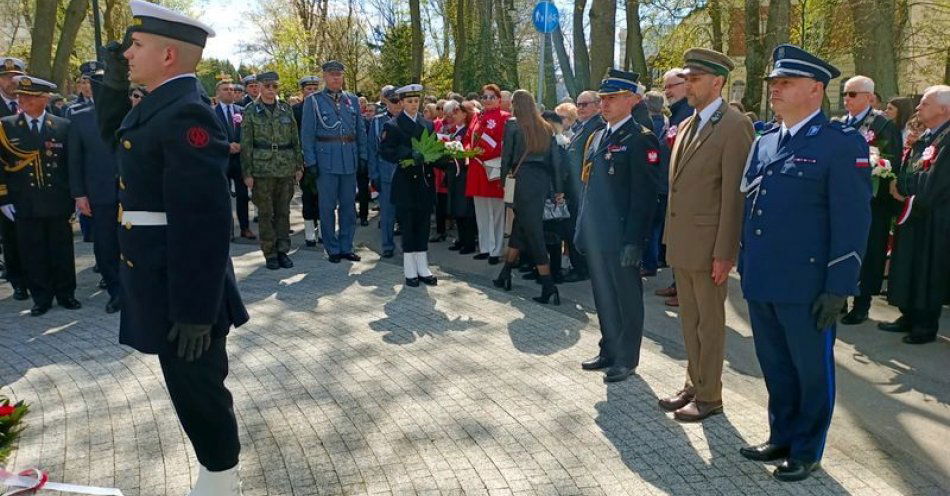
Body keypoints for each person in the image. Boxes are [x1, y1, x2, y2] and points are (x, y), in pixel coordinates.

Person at [94, 1, 249, 492]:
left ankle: (222, 481)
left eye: (135, 46)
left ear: (167, 56)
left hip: (183, 287)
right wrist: (115, 86)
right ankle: (215, 476)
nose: (126, 52)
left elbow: (202, 224)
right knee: (186, 389)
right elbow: (120, 142)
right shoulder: (160, 106)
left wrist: (196, 310)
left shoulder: (186, 114)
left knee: (199, 391)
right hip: (160, 277)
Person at [737, 44, 871, 482]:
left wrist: (840, 286)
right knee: (775, 365)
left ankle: (808, 449)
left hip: (808, 282)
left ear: (815, 90)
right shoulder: (766, 140)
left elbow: (852, 221)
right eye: (774, 83)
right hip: (763, 277)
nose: (775, 89)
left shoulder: (839, 143)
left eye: (785, 83)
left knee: (811, 370)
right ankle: (782, 434)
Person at [658, 48, 754, 422]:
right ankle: (694, 383)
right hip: (684, 240)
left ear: (717, 82)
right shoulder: (686, 124)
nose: (688, 85)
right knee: (689, 320)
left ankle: (710, 395)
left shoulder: (734, 124)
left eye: (695, 78)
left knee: (709, 323)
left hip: (710, 244)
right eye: (687, 78)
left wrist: (725, 251)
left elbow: (734, 193)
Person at [575, 69, 662, 383]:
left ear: (633, 100)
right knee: (603, 296)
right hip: (598, 235)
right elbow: (589, 189)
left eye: (612, 98)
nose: (605, 104)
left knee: (626, 297)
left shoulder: (641, 138)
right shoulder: (599, 134)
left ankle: (626, 358)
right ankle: (608, 348)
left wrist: (634, 241)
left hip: (622, 236)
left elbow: (645, 196)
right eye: (603, 98)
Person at [0, 75, 81, 316]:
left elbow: (71, 164)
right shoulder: (6, 126)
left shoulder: (62, 126)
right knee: (32, 252)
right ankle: (41, 297)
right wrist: (3, 199)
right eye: (20, 96)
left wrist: (77, 195)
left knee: (62, 250)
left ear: (43, 99)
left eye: (28, 97)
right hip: (24, 202)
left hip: (57, 200)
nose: (21, 100)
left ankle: (66, 293)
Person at [881, 85, 950, 344]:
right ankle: (908, 314)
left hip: (935, 217)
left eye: (925, 103)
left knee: (927, 268)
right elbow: (912, 166)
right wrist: (899, 182)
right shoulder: (929, 136)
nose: (918, 107)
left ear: (944, 109)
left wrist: (903, 187)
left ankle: (925, 323)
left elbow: (937, 182)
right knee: (910, 263)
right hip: (914, 212)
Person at [835, 75, 903, 325]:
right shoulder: (840, 123)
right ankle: (838, 297)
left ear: (869, 97)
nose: (846, 99)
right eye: (845, 94)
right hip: (842, 199)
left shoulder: (882, 125)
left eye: (852, 94)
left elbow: (890, 161)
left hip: (871, 201)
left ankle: (861, 303)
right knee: (840, 247)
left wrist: (873, 166)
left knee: (868, 251)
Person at [492, 91, 565, 303]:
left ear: (516, 104)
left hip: (521, 180)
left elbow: (507, 157)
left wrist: (504, 182)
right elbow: (556, 163)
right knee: (520, 227)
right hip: (540, 182)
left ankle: (548, 285)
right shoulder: (545, 127)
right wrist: (558, 189)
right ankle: (505, 274)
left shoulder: (513, 125)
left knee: (533, 232)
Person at [68, 66, 122, 315]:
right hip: (99, 193)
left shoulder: (130, 110)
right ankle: (116, 292)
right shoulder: (79, 117)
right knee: (106, 244)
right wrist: (79, 194)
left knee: (133, 243)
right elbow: (75, 159)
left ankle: (136, 290)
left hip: (132, 191)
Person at [301, 60, 367, 264]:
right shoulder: (313, 101)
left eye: (339, 74)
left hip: (349, 159)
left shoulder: (352, 100)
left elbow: (360, 131)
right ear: (325, 77)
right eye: (331, 74)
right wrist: (310, 161)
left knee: (348, 207)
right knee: (327, 207)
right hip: (325, 161)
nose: (336, 78)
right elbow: (307, 134)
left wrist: (363, 156)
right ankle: (332, 248)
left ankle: (346, 246)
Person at [240, 71, 303, 270]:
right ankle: (270, 253)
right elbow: (246, 144)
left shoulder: (285, 109)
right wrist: (247, 173)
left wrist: (298, 165)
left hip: (285, 167)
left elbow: (295, 139)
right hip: (262, 169)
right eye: (267, 86)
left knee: (283, 212)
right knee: (266, 213)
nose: (271, 90)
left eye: (274, 86)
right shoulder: (251, 110)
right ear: (259, 87)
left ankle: (283, 250)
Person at [379, 84, 440, 286]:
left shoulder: (428, 124)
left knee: (423, 225)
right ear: (402, 102)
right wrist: (406, 153)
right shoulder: (393, 125)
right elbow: (385, 151)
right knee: (408, 225)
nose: (414, 105)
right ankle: (410, 270)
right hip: (405, 183)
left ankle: (423, 266)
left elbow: (433, 150)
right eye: (409, 101)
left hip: (424, 181)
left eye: (416, 101)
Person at [658, 67, 695, 306]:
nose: (667, 91)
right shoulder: (675, 113)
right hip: (669, 186)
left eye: (672, 86)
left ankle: (684, 290)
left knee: (684, 242)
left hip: (685, 191)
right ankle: (677, 283)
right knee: (673, 240)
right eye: (666, 87)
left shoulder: (689, 113)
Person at [562, 90, 603, 284]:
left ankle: (581, 268)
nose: (580, 108)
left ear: (598, 105)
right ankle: (577, 265)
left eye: (584, 104)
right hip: (574, 188)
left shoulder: (597, 127)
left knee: (577, 229)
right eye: (578, 104)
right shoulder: (582, 126)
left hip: (582, 188)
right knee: (573, 229)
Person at [467, 84, 509, 264]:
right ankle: (485, 247)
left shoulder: (505, 117)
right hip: (477, 169)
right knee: (482, 211)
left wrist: (485, 149)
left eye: (492, 97)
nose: (487, 100)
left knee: (497, 213)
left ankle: (496, 250)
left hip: (493, 168)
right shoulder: (477, 116)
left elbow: (505, 144)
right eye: (484, 97)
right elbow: (468, 136)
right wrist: (467, 150)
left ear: (499, 100)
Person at [0, 57, 27, 301]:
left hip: (36, 186)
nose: (11, 81)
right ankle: (18, 281)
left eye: (15, 76)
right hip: (7, 185)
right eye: (6, 77)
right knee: (11, 238)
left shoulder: (32, 102)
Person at [214, 79, 254, 241]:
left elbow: (249, 132)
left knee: (243, 195)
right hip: (221, 159)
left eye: (231, 89)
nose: (229, 92)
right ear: (218, 94)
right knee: (223, 196)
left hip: (239, 159)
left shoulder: (242, 111)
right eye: (225, 89)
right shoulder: (211, 113)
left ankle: (245, 228)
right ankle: (227, 230)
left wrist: (240, 144)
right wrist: (226, 145)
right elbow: (211, 135)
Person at [367, 85, 400, 258]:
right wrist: (374, 175)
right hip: (385, 172)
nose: (397, 105)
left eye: (399, 100)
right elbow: (372, 150)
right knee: (387, 213)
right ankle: (387, 245)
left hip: (405, 173)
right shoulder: (377, 121)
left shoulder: (409, 120)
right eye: (393, 101)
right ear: (386, 102)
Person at [441, 99, 478, 254]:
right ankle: (461, 239)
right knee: (457, 209)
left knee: (465, 210)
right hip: (454, 174)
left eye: (457, 112)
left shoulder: (467, 131)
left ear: (464, 114)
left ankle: (468, 242)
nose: (453, 116)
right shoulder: (456, 130)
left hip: (463, 174)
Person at [641, 90, 670, 277]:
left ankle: (650, 263)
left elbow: (653, 157)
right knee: (658, 227)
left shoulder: (652, 127)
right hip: (665, 183)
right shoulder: (668, 124)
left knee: (651, 227)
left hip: (656, 184)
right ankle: (660, 258)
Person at [292, 75, 322, 247]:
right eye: (308, 89)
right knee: (308, 195)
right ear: (302, 91)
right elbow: (295, 137)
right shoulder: (296, 109)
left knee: (324, 196)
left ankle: (323, 230)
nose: (311, 92)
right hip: (305, 159)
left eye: (314, 89)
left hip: (323, 158)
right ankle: (310, 231)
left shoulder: (323, 106)